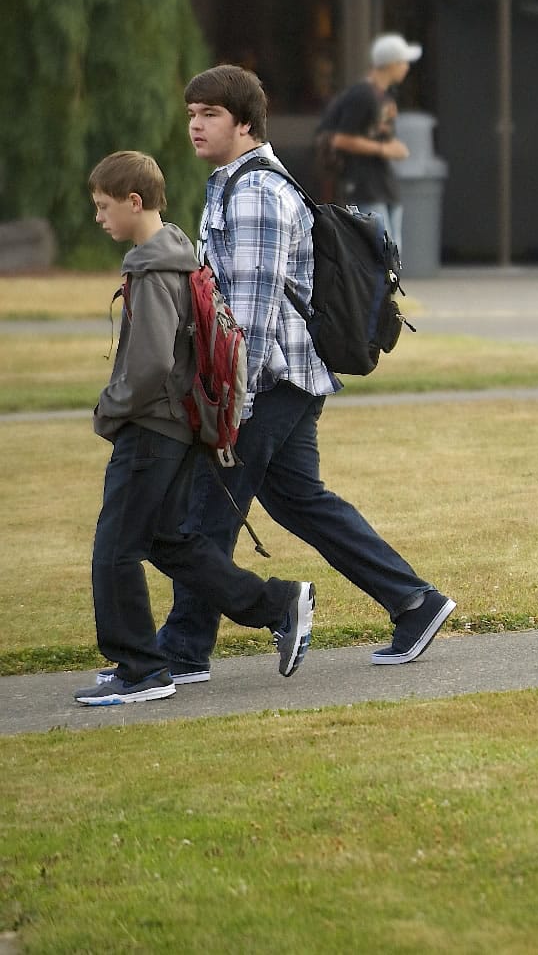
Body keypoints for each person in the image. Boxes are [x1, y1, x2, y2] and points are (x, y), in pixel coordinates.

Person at [159, 66, 456, 678]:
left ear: (244, 122)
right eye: (191, 113)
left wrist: (228, 402)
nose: (194, 124)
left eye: (209, 114)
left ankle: (184, 650)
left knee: (205, 517)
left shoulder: (257, 196)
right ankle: (414, 601)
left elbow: (252, 312)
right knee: (301, 502)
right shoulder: (232, 183)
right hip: (282, 379)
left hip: (267, 382)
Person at [75, 151, 316, 706]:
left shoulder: (152, 268)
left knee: (115, 550)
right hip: (180, 427)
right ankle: (279, 604)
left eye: (103, 207)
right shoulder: (179, 257)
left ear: (135, 203)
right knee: (167, 540)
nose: (98, 218)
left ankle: (141, 669)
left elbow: (154, 361)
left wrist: (111, 408)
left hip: (152, 426)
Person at [324, 32, 416, 248]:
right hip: (365, 185)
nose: (406, 68)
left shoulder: (385, 97)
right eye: (402, 62)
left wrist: (393, 147)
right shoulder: (361, 95)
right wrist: (384, 149)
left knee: (393, 251)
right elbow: (341, 139)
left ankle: (388, 283)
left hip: (385, 184)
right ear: (390, 64)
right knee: (378, 251)